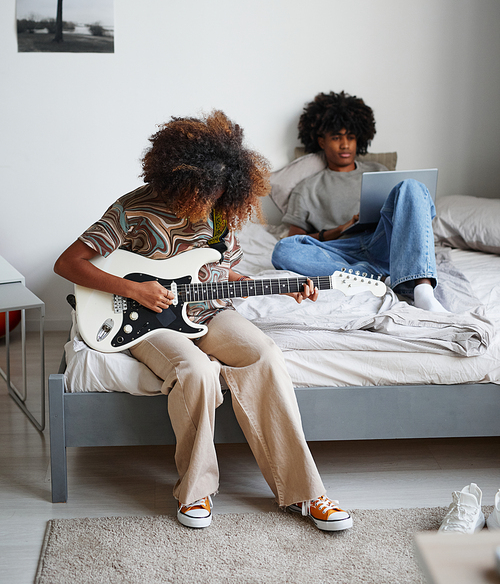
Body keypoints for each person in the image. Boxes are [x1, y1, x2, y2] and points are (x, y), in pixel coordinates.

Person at [54, 110, 353, 532]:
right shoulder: (133, 208)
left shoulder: (221, 209)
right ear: (177, 177)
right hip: (147, 320)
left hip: (207, 311)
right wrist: (134, 290)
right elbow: (69, 263)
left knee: (264, 353)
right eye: (200, 190)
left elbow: (216, 270)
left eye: (217, 192)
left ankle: (304, 492)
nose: (208, 200)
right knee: (195, 370)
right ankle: (195, 490)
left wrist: (269, 285)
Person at [271, 91, 448, 313]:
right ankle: (379, 278)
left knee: (412, 186)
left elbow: (402, 211)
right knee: (283, 249)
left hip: (381, 240)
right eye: (336, 137)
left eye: (350, 137)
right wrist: (340, 229)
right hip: (341, 250)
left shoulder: (378, 171)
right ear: (321, 141)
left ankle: (422, 290)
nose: (345, 145)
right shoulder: (307, 187)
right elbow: (294, 238)